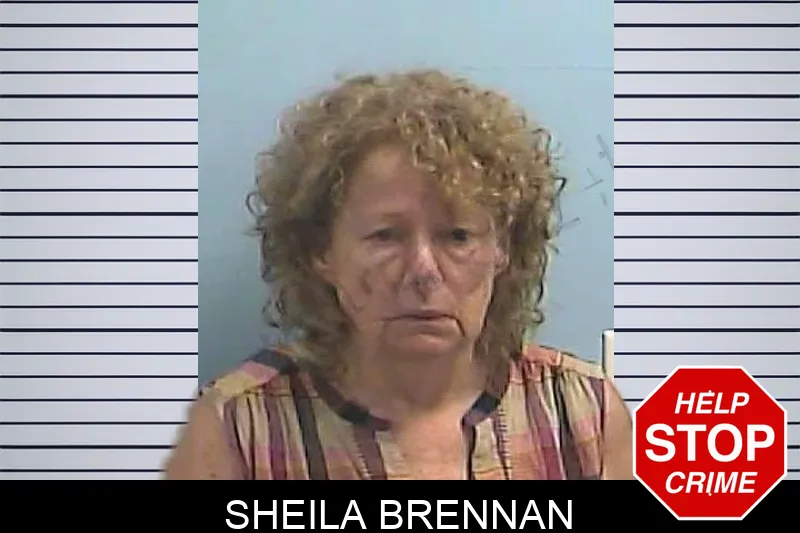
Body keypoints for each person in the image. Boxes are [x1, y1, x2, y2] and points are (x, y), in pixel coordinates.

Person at [164, 69, 632, 480]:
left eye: (457, 236)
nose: (423, 271)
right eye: (385, 236)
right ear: (321, 251)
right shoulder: (238, 429)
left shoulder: (583, 413)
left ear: (502, 251)